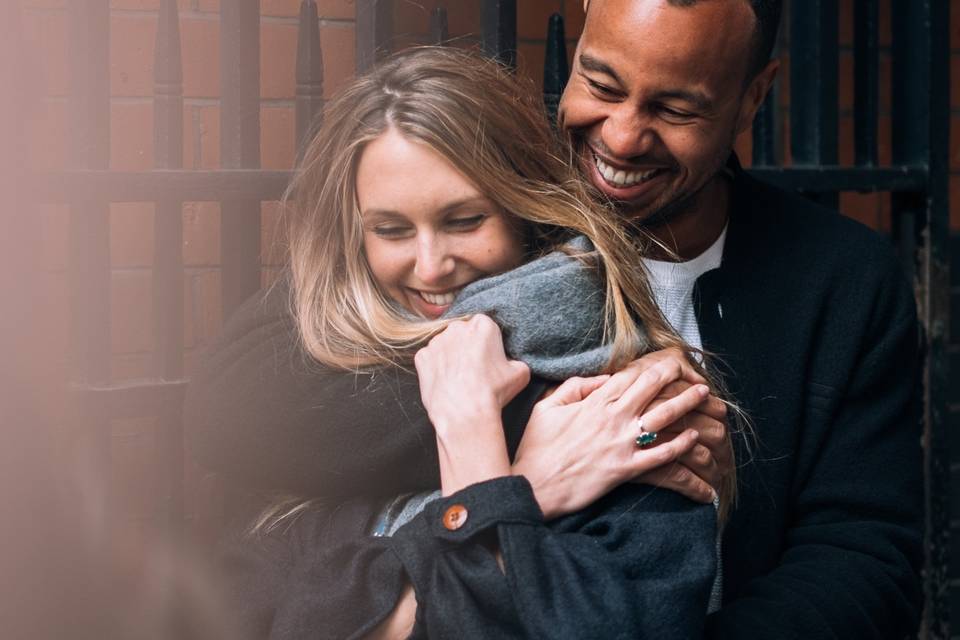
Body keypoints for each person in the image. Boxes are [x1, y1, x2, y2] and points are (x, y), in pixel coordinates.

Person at [187, 0, 925, 637]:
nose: (622, 138)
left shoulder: (842, 279)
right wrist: (507, 449)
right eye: (601, 83)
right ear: (575, 45)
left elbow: (863, 564)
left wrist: (647, 619)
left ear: (751, 97)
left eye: (675, 108)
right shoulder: (475, 194)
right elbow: (237, 414)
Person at [212, 46, 729, 639]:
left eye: (463, 221)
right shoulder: (326, 376)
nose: (430, 267)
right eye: (391, 229)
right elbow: (237, 605)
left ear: (524, 212)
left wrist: (474, 439)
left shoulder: (626, 417)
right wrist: (519, 486)